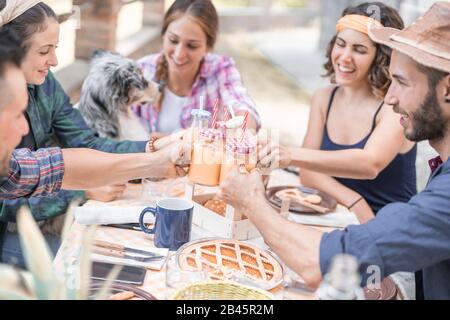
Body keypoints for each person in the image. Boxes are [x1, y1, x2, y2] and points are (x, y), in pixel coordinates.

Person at [219, 2, 450, 300]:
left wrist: (251, 201)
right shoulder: (440, 167)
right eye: (341, 44)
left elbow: (326, 261)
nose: (391, 99)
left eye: (402, 83)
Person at [0, 27, 189, 267]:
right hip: (15, 233)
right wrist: (83, 192)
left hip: (40, 221)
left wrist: (155, 154)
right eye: (44, 50)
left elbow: (57, 164)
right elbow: (12, 205)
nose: (55, 60)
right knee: (81, 266)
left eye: (55, 48)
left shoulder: (45, 86)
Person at [258, 2, 416, 223]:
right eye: (340, 44)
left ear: (382, 58)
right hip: (343, 215)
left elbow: (369, 164)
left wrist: (291, 154)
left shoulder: (395, 106)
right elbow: (308, 173)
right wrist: (355, 201)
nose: (344, 57)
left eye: (359, 50)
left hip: (389, 225)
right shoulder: (324, 98)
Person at [132, 0, 261, 135]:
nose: (179, 54)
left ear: (208, 47)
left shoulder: (220, 69)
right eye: (173, 40)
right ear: (163, 35)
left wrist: (242, 127)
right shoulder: (143, 70)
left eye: (192, 46)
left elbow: (241, 104)